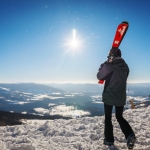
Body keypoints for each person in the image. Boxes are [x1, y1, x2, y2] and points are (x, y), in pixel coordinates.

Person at [97, 48, 136, 149]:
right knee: (119, 117)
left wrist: (103, 67)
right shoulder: (125, 67)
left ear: (112, 55)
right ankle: (129, 134)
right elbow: (118, 77)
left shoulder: (109, 66)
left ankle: (109, 140)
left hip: (110, 96)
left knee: (108, 118)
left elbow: (100, 76)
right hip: (120, 97)